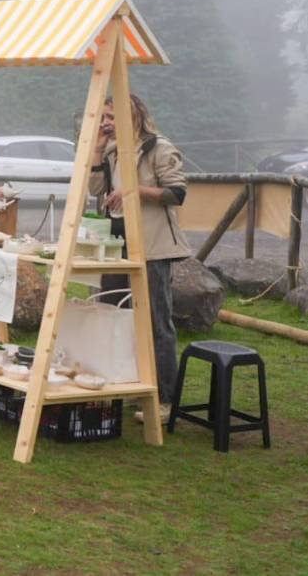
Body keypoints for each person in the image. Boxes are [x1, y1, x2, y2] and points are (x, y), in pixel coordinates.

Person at [90, 94, 188, 424]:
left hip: (152, 246)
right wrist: (98, 146)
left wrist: (133, 191)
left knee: (157, 322)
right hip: (117, 243)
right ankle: (130, 383)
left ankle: (165, 398)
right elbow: (94, 188)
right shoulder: (113, 152)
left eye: (112, 117)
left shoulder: (158, 148)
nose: (106, 122)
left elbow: (177, 193)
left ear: (132, 116)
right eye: (103, 116)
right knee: (114, 314)